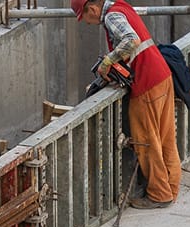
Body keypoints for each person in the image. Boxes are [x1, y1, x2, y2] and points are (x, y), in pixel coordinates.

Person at [78, 0, 183, 209]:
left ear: (92, 9)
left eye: (85, 18)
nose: (88, 23)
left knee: (147, 141)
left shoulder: (111, 16)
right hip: (162, 76)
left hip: (146, 85)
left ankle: (160, 195)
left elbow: (131, 40)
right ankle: (171, 188)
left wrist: (108, 61)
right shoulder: (122, 6)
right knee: (166, 138)